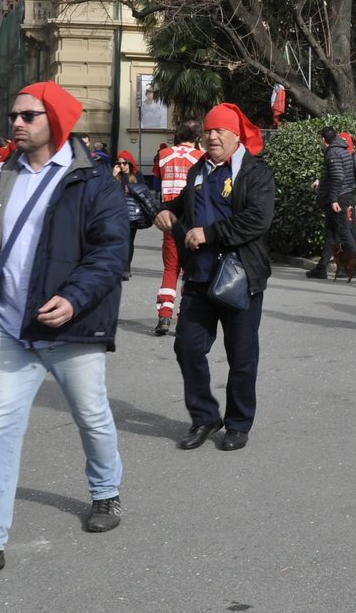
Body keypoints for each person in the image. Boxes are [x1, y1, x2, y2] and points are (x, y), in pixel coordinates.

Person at [0, 82, 130, 573]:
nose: (16, 122)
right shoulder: (3, 178)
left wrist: (74, 297)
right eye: (14, 114)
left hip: (69, 328)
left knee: (93, 416)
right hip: (11, 328)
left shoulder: (93, 181)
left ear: (54, 120)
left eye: (28, 115)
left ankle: (106, 493)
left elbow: (111, 251)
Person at [155, 104, 275, 452]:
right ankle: (205, 416)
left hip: (240, 278)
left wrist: (210, 233)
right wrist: (168, 209)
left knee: (241, 356)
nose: (211, 136)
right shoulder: (198, 169)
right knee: (187, 347)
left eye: (219, 130)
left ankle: (238, 423)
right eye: (208, 130)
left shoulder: (255, 172)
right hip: (199, 278)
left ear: (236, 135)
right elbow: (185, 202)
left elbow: (257, 219)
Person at [153, 123, 203, 336]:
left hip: (169, 217)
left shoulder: (163, 155)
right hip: (190, 217)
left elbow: (156, 184)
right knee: (189, 270)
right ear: (197, 137)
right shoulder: (200, 156)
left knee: (170, 268)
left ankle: (164, 315)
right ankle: (183, 318)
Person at [306, 127, 356, 281]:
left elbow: (338, 177)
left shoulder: (333, 152)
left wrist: (333, 199)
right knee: (332, 233)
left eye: (320, 138)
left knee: (344, 233)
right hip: (342, 196)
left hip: (339, 198)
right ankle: (322, 267)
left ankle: (354, 266)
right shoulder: (342, 151)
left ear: (323, 139)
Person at [112, 151, 159, 280]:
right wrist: (113, 175)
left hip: (132, 214)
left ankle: (126, 269)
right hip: (118, 213)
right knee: (119, 241)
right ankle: (120, 268)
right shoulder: (117, 176)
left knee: (128, 241)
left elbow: (143, 191)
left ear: (130, 163)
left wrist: (132, 189)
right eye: (119, 163)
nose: (121, 165)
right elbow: (107, 191)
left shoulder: (137, 175)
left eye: (124, 163)